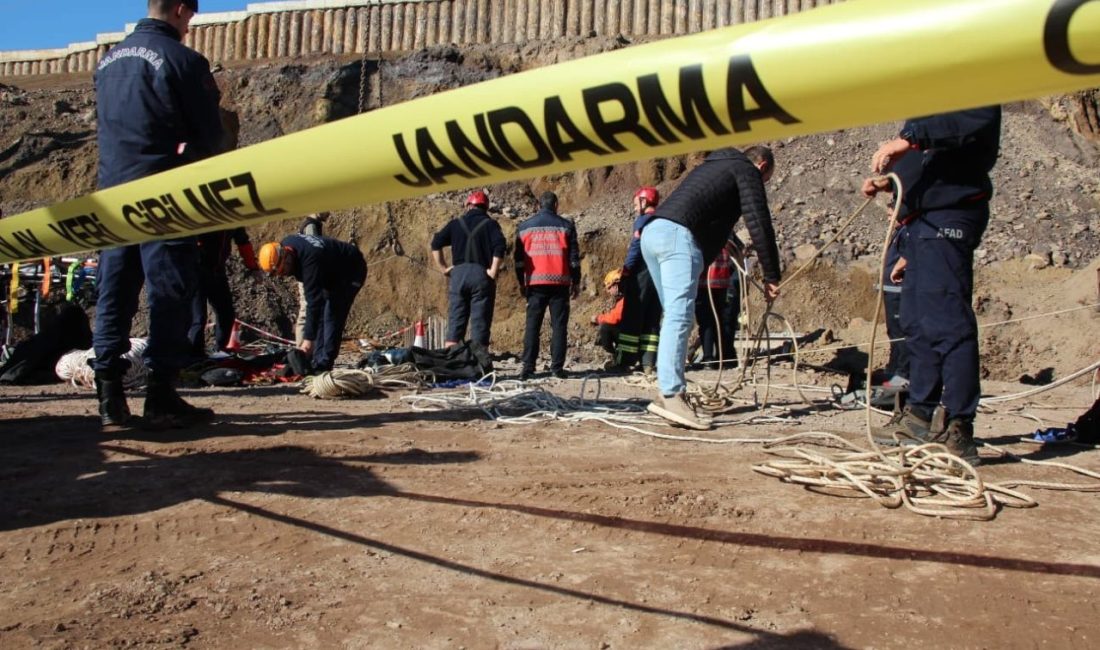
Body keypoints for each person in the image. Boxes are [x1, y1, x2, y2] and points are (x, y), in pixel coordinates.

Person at [91, 0, 224, 431]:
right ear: (182, 10)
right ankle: (160, 395)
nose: (190, 26)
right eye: (191, 18)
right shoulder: (184, 60)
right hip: (164, 196)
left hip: (112, 196)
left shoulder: (108, 62)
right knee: (169, 294)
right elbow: (209, 138)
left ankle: (109, 399)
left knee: (114, 293)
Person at [865, 107, 1002, 465]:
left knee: (948, 321)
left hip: (947, 218)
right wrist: (892, 180)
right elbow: (927, 163)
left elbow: (968, 123)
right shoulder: (930, 115)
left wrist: (906, 140)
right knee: (916, 322)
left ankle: (958, 423)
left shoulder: (972, 89)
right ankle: (920, 415)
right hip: (921, 226)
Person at [640, 146, 781, 430]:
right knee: (679, 316)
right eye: (766, 179)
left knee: (673, 315)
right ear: (762, 165)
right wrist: (772, 275)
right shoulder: (746, 170)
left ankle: (669, 391)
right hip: (679, 237)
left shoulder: (715, 166)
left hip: (654, 233)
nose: (763, 184)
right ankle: (671, 394)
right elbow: (758, 220)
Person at [259, 234, 367, 372]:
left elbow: (313, 303)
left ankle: (324, 364)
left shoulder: (309, 262)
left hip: (352, 270)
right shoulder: (287, 243)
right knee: (323, 314)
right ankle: (317, 360)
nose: (285, 275)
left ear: (286, 259)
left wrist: (308, 339)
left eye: (283, 271)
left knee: (333, 314)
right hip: (331, 273)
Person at [514, 191, 580, 380]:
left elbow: (518, 261)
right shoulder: (566, 226)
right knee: (559, 326)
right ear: (556, 205)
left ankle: (527, 367)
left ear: (538, 206)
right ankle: (557, 368)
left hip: (535, 284)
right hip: (559, 283)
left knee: (532, 325)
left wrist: (521, 282)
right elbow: (574, 259)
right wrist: (576, 281)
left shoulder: (524, 227)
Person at [430, 191, 506, 349]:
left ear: (468, 205)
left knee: (455, 321)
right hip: (481, 275)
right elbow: (500, 247)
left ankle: (451, 361)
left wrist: (444, 268)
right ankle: (479, 364)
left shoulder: (456, 223)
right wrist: (493, 270)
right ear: (485, 207)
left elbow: (436, 243)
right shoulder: (491, 224)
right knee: (480, 321)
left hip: (458, 275)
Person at [612, 187, 662, 375]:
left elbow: (635, 248)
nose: (634, 209)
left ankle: (625, 361)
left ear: (644, 202)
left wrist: (625, 272)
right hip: (659, 275)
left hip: (641, 274)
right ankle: (648, 362)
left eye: (635, 204)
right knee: (652, 318)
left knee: (632, 317)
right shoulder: (663, 220)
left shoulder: (642, 221)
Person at [189, 228, 260, 357]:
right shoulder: (206, 219)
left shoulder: (233, 222)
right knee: (198, 318)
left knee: (226, 314)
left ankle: (221, 351)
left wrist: (253, 267)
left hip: (217, 272)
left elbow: (243, 241)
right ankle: (194, 356)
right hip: (196, 272)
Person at [875, 223, 910, 389]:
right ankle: (894, 369)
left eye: (892, 208)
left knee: (901, 333)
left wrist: (898, 267)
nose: (889, 213)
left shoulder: (908, 231)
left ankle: (903, 374)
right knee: (893, 331)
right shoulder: (898, 232)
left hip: (899, 290)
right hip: (891, 289)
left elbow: (911, 253)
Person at [693, 243, 736, 368]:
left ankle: (708, 359)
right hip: (722, 281)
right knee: (719, 321)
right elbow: (737, 251)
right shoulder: (725, 233)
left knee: (706, 322)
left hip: (704, 281)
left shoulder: (701, 232)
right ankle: (722, 358)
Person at [295, 212, 330, 345]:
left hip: (308, 275)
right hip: (308, 277)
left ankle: (308, 348)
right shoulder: (311, 227)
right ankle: (302, 349)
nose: (329, 212)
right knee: (307, 310)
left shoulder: (312, 225)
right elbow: (314, 253)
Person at [591, 269, 625, 366]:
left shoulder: (626, 299)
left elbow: (614, 318)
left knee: (606, 327)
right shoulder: (624, 298)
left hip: (630, 339)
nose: (608, 291)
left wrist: (598, 319)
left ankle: (618, 359)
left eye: (609, 287)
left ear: (616, 285)